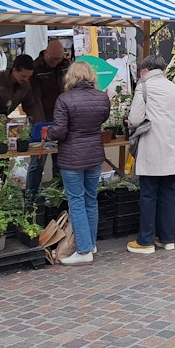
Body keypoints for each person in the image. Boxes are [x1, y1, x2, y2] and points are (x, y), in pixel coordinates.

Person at [47, 62, 110, 265]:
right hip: (94, 155)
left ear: (71, 77)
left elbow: (60, 131)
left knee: (76, 202)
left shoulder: (64, 99)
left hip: (72, 156)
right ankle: (90, 243)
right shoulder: (102, 97)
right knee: (91, 199)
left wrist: (49, 132)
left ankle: (84, 251)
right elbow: (103, 119)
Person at [126, 55, 175, 255]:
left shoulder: (144, 87)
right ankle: (167, 238)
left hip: (153, 147)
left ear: (144, 70)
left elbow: (135, 119)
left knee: (148, 194)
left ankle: (146, 240)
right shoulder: (173, 88)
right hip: (174, 148)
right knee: (168, 193)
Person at [26, 42, 68, 196]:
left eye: (59, 59)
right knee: (37, 161)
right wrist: (40, 124)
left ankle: (57, 194)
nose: (55, 62)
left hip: (61, 120)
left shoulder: (65, 66)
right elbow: (33, 99)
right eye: (53, 58)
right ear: (45, 52)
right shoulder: (35, 68)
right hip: (41, 120)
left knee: (60, 160)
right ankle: (32, 195)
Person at [0, 54, 42, 120]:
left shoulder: (26, 84)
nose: (26, 79)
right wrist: (0, 120)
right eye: (23, 76)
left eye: (29, 76)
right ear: (14, 70)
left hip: (3, 122)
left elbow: (30, 106)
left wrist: (38, 124)